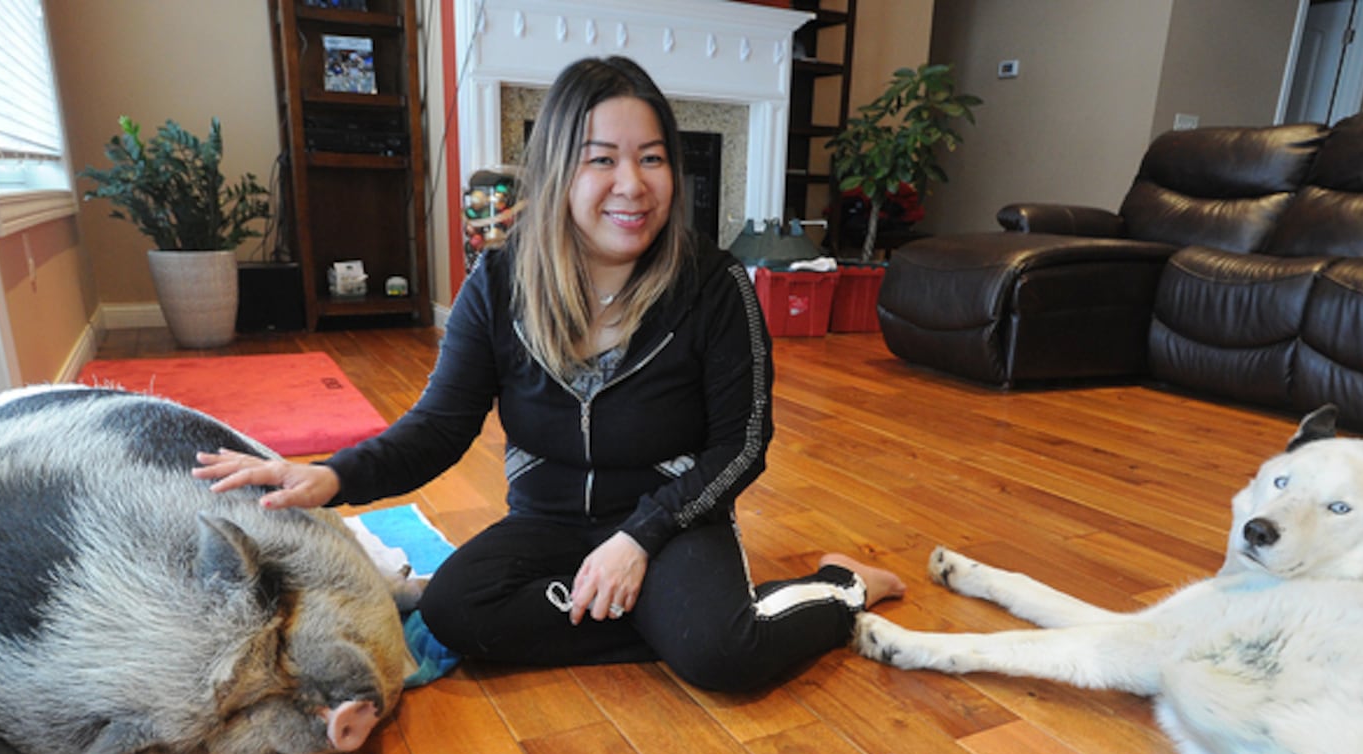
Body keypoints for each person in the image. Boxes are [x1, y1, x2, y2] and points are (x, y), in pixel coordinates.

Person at [194, 55, 902, 693]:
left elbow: (742, 445)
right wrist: (335, 476)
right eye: (602, 160)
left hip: (674, 520)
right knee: (453, 609)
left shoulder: (715, 286)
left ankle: (837, 588)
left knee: (724, 656)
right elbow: (441, 424)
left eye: (652, 159)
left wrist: (640, 541)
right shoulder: (499, 282)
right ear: (560, 169)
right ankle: (672, 614)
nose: (633, 185)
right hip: (552, 519)